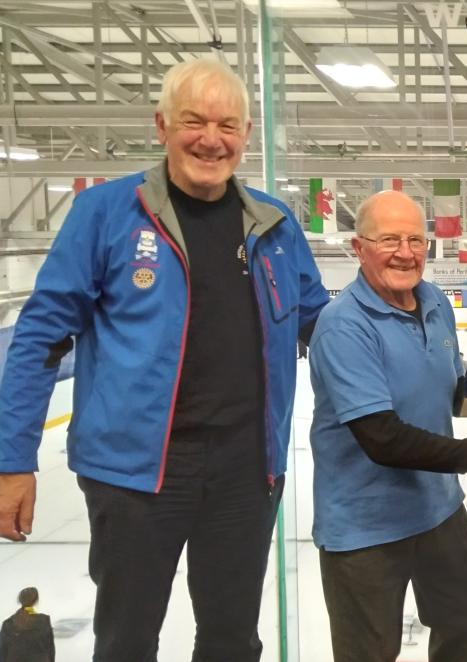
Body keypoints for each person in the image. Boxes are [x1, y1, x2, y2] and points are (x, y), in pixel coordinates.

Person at [0, 57, 328, 662]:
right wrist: (12, 459)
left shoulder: (274, 225)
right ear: (162, 125)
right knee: (126, 639)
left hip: (245, 472)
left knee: (233, 639)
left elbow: (326, 329)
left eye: (227, 124)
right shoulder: (105, 213)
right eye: (193, 121)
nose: (211, 138)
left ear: (246, 134)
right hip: (134, 477)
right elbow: (40, 337)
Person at [307, 190, 467, 662]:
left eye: (416, 239)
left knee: (464, 638)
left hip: (438, 512)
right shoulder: (342, 326)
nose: (405, 252)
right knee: (368, 653)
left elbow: (450, 391)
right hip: (365, 529)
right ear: (358, 248)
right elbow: (382, 436)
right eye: (389, 239)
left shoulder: (434, 301)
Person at [0, 587, 54, 662]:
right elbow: (50, 651)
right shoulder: (44, 621)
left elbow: (3, 653)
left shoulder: (7, 624)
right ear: (35, 601)